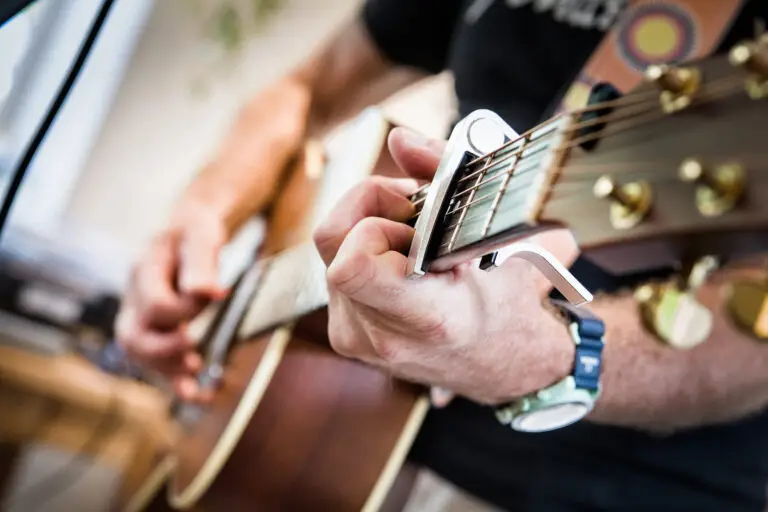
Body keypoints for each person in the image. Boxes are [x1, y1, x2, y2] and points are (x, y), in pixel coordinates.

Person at [116, 1, 768, 510]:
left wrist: (546, 356)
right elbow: (310, 87)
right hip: (308, 428)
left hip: (585, 490)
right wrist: (202, 213)